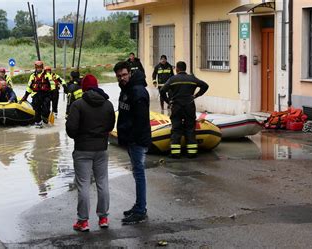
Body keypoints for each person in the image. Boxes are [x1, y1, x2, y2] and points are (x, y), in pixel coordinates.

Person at [66, 74, 115, 232]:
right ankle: (103, 218)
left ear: (84, 87)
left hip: (82, 150)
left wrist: (81, 136)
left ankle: (83, 221)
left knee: (84, 185)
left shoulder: (78, 105)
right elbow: (110, 126)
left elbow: (71, 130)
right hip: (101, 149)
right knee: (102, 183)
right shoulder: (107, 104)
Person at [113, 61, 151, 224]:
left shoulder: (137, 91)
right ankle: (138, 206)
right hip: (131, 139)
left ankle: (141, 210)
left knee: (139, 173)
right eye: (119, 76)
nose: (122, 78)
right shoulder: (127, 89)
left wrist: (133, 139)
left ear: (130, 73)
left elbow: (141, 120)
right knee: (137, 173)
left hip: (137, 140)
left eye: (124, 74)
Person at [160, 61, 209, 159]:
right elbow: (205, 86)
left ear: (177, 69)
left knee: (176, 129)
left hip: (177, 107)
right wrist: (196, 95)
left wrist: (168, 101)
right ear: (185, 68)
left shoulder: (172, 79)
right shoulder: (192, 78)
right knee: (190, 129)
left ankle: (175, 153)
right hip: (189, 106)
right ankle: (192, 153)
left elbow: (162, 91)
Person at [19, 61, 55, 128]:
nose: (39, 69)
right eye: (37, 67)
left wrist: (52, 95)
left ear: (42, 67)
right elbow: (29, 87)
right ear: (35, 68)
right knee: (37, 110)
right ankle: (38, 123)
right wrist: (25, 96)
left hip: (46, 94)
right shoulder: (32, 76)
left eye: (40, 67)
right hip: (36, 95)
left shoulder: (47, 75)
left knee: (46, 109)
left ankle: (45, 118)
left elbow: (52, 85)